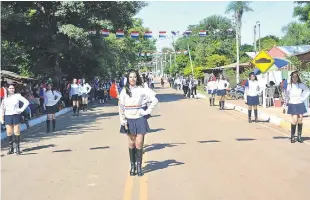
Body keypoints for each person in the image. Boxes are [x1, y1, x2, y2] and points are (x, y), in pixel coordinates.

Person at [118, 69, 158, 176]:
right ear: (128, 79)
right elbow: (121, 107)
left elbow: (154, 100)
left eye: (134, 77)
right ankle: (133, 166)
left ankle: (139, 166)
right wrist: (123, 121)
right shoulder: (124, 91)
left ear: (137, 78)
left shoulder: (141, 89)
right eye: (130, 77)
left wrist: (147, 111)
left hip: (140, 118)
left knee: (139, 142)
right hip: (129, 118)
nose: (133, 79)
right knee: (131, 143)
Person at [0, 84, 29, 155]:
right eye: (10, 88)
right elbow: (2, 109)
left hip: (15, 115)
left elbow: (26, 102)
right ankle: (11, 148)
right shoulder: (5, 98)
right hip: (7, 116)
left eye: (13, 88)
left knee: (16, 132)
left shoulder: (17, 96)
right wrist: (1, 118)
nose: (11, 89)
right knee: (9, 132)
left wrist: (21, 110)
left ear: (14, 89)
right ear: (8, 89)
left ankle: (17, 148)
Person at [284, 71, 310, 143]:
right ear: (291, 78)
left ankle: (299, 136)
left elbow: (307, 90)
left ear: (298, 78)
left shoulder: (301, 85)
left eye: (296, 77)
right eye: (293, 77)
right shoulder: (289, 85)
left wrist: (302, 98)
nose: (295, 78)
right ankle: (292, 136)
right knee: (295, 119)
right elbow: (286, 95)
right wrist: (286, 103)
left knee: (300, 118)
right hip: (292, 103)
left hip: (300, 103)